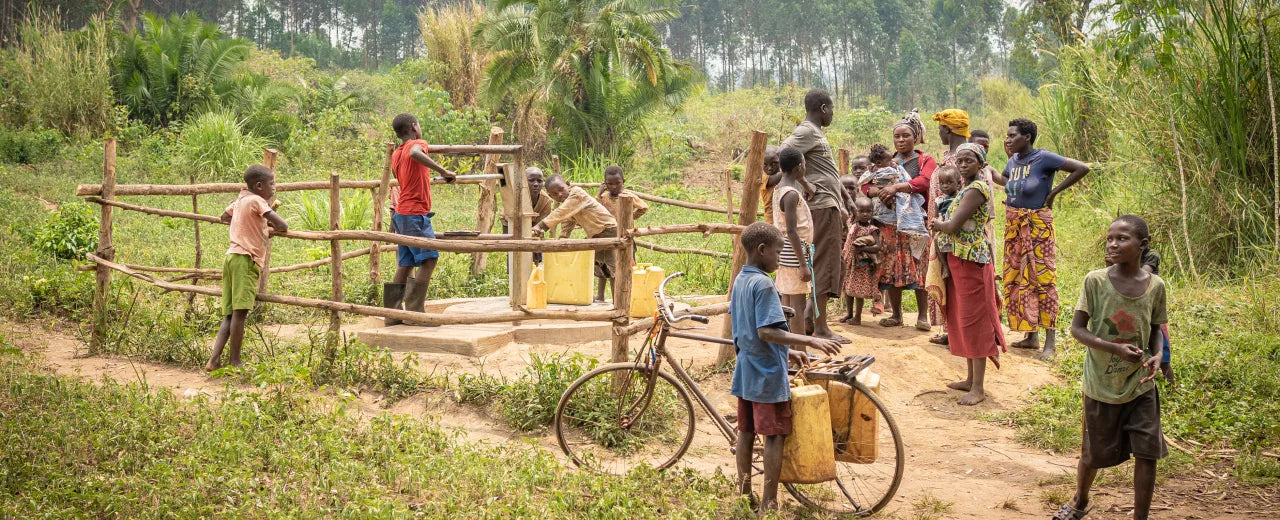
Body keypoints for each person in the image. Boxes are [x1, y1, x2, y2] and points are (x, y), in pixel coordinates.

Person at [1055, 215, 1167, 520]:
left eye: (1122, 239)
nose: (1113, 244)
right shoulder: (1095, 280)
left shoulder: (1156, 286)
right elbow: (1077, 330)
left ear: (1143, 246)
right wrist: (1114, 348)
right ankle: (1081, 499)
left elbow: (1156, 328)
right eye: (1110, 238)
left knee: (1147, 453)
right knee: (1093, 454)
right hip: (1101, 385)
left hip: (1141, 382)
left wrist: (1158, 355)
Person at [731, 221, 842, 513]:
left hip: (746, 369)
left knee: (746, 431)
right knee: (774, 436)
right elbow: (767, 332)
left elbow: (752, 330)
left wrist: (789, 350)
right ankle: (770, 501)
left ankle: (744, 493)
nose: (780, 260)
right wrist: (810, 341)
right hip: (767, 374)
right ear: (763, 249)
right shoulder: (764, 284)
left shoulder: (741, 279)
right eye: (779, 253)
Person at [997, 118, 1092, 360]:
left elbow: (1082, 168)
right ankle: (1031, 336)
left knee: (1043, 279)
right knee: (1018, 278)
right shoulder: (1012, 161)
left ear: (1026, 137)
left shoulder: (1044, 158)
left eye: (1012, 135)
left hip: (1038, 227)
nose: (1007, 139)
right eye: (1007, 136)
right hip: (1015, 227)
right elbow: (1008, 182)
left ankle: (1050, 341)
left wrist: (1054, 193)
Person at [929, 144, 1007, 405]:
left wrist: (937, 225)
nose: (963, 164)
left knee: (975, 321)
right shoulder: (964, 188)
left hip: (972, 262)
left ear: (981, 164)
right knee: (963, 319)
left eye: (969, 160)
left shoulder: (976, 190)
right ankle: (970, 379)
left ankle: (979, 387)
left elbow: (952, 226)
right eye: (959, 160)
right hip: (959, 261)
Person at [782, 89, 850, 343]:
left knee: (823, 263)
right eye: (831, 108)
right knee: (823, 264)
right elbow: (784, 154)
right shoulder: (807, 131)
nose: (832, 113)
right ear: (823, 108)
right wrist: (803, 183)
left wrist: (844, 200)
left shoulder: (816, 133)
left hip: (826, 205)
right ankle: (821, 328)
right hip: (820, 207)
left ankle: (813, 320)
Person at [206, 165, 289, 372]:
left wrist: (257, 226)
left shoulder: (241, 200)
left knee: (229, 315)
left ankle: (214, 360)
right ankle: (235, 362)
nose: (274, 188)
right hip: (246, 259)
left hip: (232, 257)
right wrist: (268, 224)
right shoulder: (257, 201)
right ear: (259, 186)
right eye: (271, 184)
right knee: (240, 314)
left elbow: (224, 217)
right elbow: (283, 226)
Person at [382, 114, 458, 326]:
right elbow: (416, 153)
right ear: (414, 126)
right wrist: (444, 171)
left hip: (402, 213)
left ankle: (392, 313)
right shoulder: (417, 144)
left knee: (405, 263)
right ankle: (416, 314)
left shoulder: (397, 154)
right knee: (429, 259)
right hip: (414, 213)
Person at [866, 109, 936, 331]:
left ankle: (922, 316)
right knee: (890, 267)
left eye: (906, 135)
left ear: (915, 137)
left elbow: (924, 182)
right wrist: (881, 193)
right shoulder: (885, 162)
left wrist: (895, 188)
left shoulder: (925, 160)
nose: (901, 140)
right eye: (897, 136)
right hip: (888, 224)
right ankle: (896, 314)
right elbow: (865, 185)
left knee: (919, 266)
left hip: (914, 224)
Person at [532, 175, 619, 302]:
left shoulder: (577, 194)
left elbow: (561, 212)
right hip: (597, 234)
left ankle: (618, 301)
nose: (560, 194)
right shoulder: (570, 205)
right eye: (555, 194)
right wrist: (562, 239)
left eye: (561, 189)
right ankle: (601, 296)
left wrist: (540, 226)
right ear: (551, 196)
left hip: (608, 230)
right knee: (600, 264)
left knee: (611, 267)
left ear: (567, 184)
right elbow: (567, 222)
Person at [772, 147, 815, 338]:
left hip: (786, 253)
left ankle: (791, 348)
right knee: (797, 304)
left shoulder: (779, 189)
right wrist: (803, 264)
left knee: (788, 302)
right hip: (793, 254)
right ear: (799, 167)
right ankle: (800, 349)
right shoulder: (791, 194)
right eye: (804, 163)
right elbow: (791, 231)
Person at [501, 166, 555, 263]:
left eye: (539, 181)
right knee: (513, 251)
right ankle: (512, 275)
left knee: (536, 247)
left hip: (534, 226)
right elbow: (508, 217)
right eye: (531, 180)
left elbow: (541, 224)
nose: (536, 184)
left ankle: (536, 270)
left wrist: (534, 232)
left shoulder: (546, 201)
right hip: (511, 223)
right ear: (523, 182)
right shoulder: (515, 197)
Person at [841, 198, 881, 325]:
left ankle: (857, 317)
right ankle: (849, 314)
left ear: (872, 212)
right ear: (855, 212)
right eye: (861, 211)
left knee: (858, 292)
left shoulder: (872, 229)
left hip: (861, 265)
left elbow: (877, 247)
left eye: (868, 211)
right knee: (848, 289)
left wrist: (863, 248)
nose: (865, 214)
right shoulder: (852, 224)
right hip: (849, 262)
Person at [759, 146, 782, 224]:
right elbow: (778, 177)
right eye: (765, 165)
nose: (769, 168)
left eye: (774, 163)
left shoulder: (785, 176)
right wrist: (790, 168)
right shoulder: (762, 179)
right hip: (771, 219)